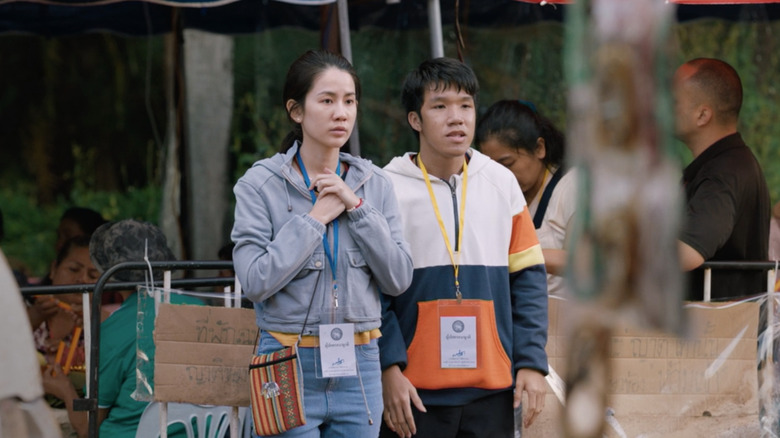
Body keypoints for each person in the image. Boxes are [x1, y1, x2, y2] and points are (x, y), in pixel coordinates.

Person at [231, 50, 413, 437]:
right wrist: (315, 219)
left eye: (349, 101)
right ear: (296, 111)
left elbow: (398, 278)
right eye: (327, 100)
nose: (341, 112)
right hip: (285, 360)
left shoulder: (374, 184)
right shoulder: (259, 185)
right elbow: (254, 281)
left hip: (360, 362)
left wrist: (356, 207)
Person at [379, 57, 548, 438]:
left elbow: (529, 281)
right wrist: (388, 368)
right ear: (415, 120)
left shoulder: (501, 183)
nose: (456, 118)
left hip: (493, 391)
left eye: (465, 105)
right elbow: (372, 294)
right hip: (412, 394)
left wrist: (532, 363)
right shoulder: (384, 188)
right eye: (439, 106)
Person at [42, 219, 200, 438]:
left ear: (108, 271)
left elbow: (87, 427)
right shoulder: (201, 308)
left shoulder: (113, 329)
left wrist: (64, 389)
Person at [673, 58, 771, 301]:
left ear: (703, 115)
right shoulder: (726, 164)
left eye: (673, 101)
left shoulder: (724, 172)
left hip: (716, 333)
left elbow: (687, 252)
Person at [475, 100, 576, 296]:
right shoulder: (501, 198)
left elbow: (585, 264)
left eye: (508, 163)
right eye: (492, 168)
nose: (501, 176)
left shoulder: (572, 187)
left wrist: (520, 256)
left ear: (539, 148)